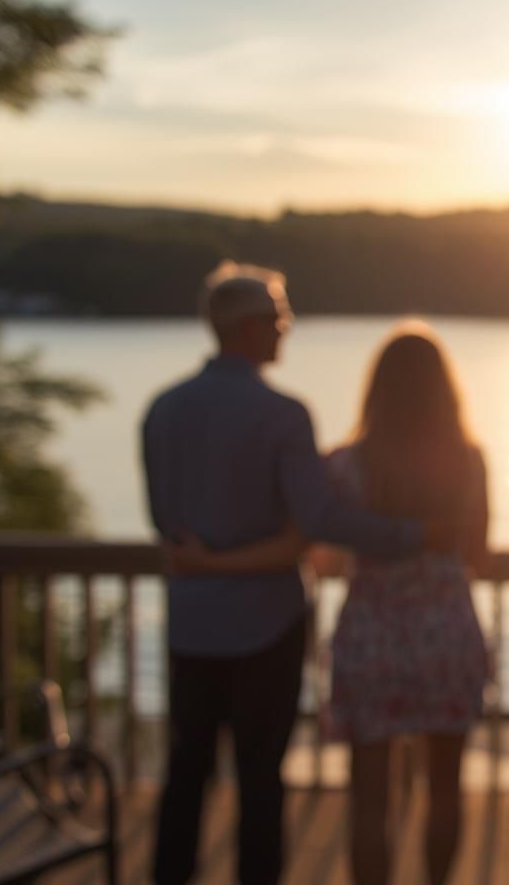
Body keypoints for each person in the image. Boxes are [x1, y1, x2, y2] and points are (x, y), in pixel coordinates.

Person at [142, 262, 437, 885]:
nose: (286, 331)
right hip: (266, 627)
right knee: (259, 781)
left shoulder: (163, 411)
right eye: (279, 319)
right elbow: (320, 517)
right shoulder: (283, 415)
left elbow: (165, 522)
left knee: (185, 773)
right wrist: (413, 534)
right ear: (249, 329)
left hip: (190, 625)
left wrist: (209, 562)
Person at [175, 322, 490, 885]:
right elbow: (478, 554)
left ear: (377, 389)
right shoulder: (468, 461)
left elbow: (317, 555)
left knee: (369, 797)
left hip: (371, 633)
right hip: (446, 630)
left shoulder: (344, 465)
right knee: (445, 788)